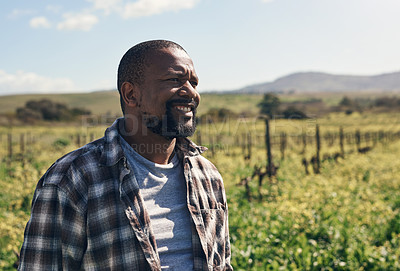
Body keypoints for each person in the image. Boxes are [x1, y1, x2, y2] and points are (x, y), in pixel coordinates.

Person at [18, 40, 233, 270]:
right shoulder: (73, 178)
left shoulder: (207, 175)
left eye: (194, 82)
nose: (192, 93)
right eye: (174, 80)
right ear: (131, 94)